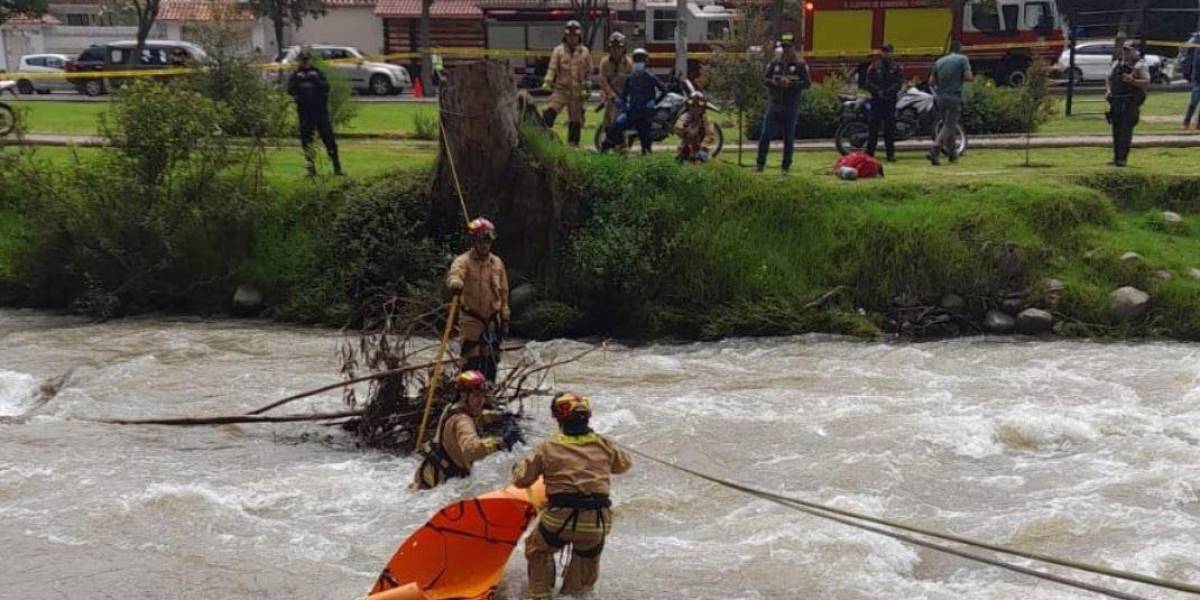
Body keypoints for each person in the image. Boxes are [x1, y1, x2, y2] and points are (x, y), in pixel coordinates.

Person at [512, 392, 632, 600]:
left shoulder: (547, 446)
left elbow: (522, 479)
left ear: (558, 418)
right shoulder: (604, 443)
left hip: (558, 520)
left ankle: (540, 594)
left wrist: (517, 467)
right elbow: (623, 465)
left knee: (537, 549)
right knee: (580, 585)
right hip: (596, 523)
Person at [413, 370, 523, 490]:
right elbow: (471, 450)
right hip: (438, 484)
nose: (481, 401)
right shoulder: (462, 420)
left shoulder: (453, 407)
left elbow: (477, 417)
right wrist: (501, 442)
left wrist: (498, 416)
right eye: (476, 396)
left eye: (482, 396)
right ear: (464, 395)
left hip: (428, 475)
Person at [446, 217, 510, 382]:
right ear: (473, 241)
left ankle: (488, 396)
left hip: (492, 321)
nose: (484, 245)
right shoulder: (463, 261)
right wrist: (455, 284)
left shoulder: (497, 263)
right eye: (481, 240)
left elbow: (503, 292)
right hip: (471, 321)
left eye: (488, 241)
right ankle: (467, 396)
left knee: (492, 362)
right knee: (471, 362)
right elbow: (455, 275)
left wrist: (505, 317)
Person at [755, 32, 810, 174]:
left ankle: (785, 167)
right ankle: (760, 164)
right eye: (784, 48)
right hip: (774, 105)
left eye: (788, 48)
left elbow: (807, 83)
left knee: (788, 137)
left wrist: (791, 84)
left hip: (790, 105)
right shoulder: (775, 63)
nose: (786, 50)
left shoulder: (799, 64)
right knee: (765, 135)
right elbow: (765, 79)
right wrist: (774, 83)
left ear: (793, 48)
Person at [287, 50, 343, 177]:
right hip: (305, 113)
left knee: (328, 138)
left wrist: (316, 79)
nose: (305, 62)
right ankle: (311, 169)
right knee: (307, 141)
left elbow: (326, 87)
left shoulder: (318, 73)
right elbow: (290, 90)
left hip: (320, 111)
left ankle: (337, 167)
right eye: (302, 60)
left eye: (307, 60)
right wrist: (297, 84)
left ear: (310, 60)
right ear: (299, 61)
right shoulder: (296, 75)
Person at [601, 48, 666, 155]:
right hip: (631, 111)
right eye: (636, 60)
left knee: (645, 141)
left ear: (646, 62)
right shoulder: (630, 78)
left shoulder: (650, 77)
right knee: (615, 126)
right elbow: (624, 96)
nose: (638, 63)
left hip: (645, 114)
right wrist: (623, 104)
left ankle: (646, 160)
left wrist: (655, 101)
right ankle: (605, 149)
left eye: (641, 60)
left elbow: (664, 90)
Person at [542, 20, 592, 147]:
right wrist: (548, 80)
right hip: (561, 90)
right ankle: (543, 139)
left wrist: (587, 87)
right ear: (565, 36)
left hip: (577, 92)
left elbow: (588, 72)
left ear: (579, 36)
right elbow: (552, 68)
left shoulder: (585, 52)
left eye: (574, 36)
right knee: (549, 112)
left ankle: (573, 146)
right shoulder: (558, 50)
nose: (572, 38)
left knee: (576, 121)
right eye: (569, 36)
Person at [927, 41, 973, 166]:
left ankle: (952, 155)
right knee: (949, 125)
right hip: (954, 96)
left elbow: (931, 82)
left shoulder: (939, 61)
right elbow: (968, 76)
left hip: (940, 97)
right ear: (959, 49)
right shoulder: (963, 59)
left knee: (949, 126)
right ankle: (935, 149)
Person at [1107, 41, 1150, 167]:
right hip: (1116, 101)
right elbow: (1108, 77)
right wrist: (1108, 91)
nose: (1126, 52)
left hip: (1130, 102)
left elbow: (1146, 82)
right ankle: (1116, 157)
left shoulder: (1140, 65)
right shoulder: (1117, 63)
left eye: (1129, 50)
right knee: (1116, 130)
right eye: (1125, 50)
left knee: (1126, 130)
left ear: (1135, 51)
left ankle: (1122, 159)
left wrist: (1133, 80)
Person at [864, 43, 904, 162]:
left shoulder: (896, 67)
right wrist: (878, 91)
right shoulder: (874, 67)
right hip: (877, 101)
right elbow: (868, 82)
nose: (886, 54)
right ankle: (870, 154)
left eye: (888, 51)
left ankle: (890, 155)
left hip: (890, 101)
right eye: (884, 51)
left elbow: (899, 82)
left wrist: (889, 91)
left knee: (889, 129)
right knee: (873, 128)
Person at [598, 32, 633, 133]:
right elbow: (603, 80)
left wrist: (628, 96)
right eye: (613, 48)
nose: (616, 51)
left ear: (623, 49)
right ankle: (618, 144)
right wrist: (612, 96)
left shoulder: (628, 63)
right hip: (609, 96)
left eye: (619, 48)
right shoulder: (605, 62)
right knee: (612, 118)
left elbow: (632, 81)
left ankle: (618, 142)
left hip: (624, 96)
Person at [675, 91, 717, 163]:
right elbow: (677, 128)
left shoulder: (706, 120)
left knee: (700, 159)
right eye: (693, 106)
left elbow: (710, 135)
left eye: (698, 107)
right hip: (685, 148)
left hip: (702, 149)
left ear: (702, 108)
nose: (695, 109)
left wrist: (702, 146)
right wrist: (685, 126)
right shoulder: (684, 117)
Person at [1182, 41, 1200, 130]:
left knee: (1193, 103)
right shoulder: (1197, 55)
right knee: (1193, 103)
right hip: (1198, 82)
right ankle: (1186, 122)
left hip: (1197, 81)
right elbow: (1195, 70)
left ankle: (1198, 124)